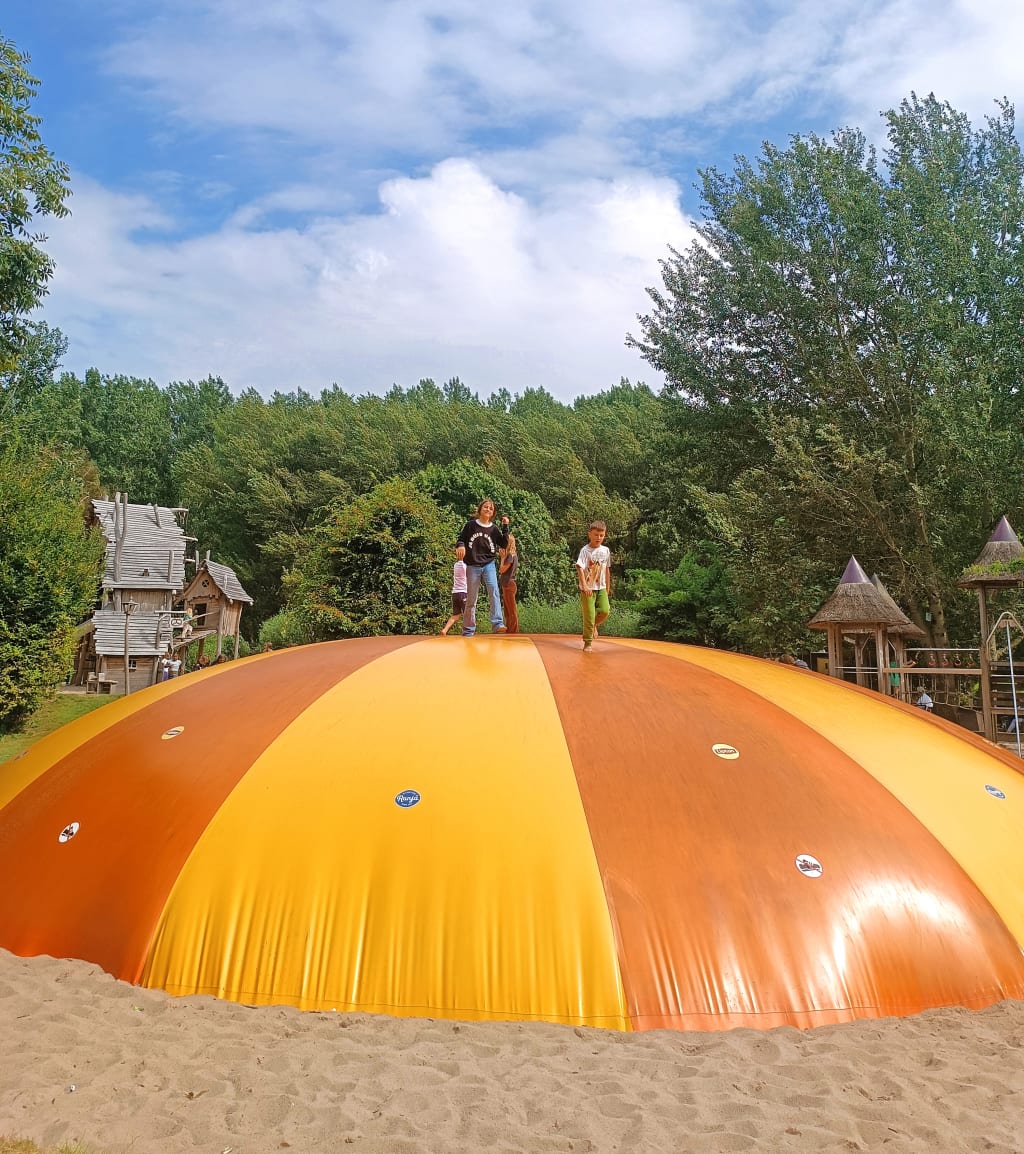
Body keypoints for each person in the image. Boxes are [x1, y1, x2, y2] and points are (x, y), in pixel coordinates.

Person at [455, 498, 509, 637]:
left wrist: (505, 527)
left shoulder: (493, 529)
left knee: (494, 591)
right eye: (485, 507)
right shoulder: (471, 525)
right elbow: (461, 538)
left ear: (493, 513)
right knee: (471, 598)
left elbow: (503, 543)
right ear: (480, 509)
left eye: (491, 508)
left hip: (488, 564)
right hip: (472, 565)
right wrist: (460, 546)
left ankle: (498, 624)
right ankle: (468, 629)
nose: (488, 509)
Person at [576, 520, 611, 653]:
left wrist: (607, 588)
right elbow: (579, 567)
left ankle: (594, 625)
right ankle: (587, 642)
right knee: (589, 615)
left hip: (601, 587)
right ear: (590, 534)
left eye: (601, 535)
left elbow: (607, 570)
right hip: (588, 588)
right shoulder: (585, 551)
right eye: (596, 535)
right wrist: (584, 586)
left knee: (605, 610)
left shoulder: (606, 550)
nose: (599, 538)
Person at [441, 554, 468, 636]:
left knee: (456, 615)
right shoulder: (465, 566)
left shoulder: (455, 565)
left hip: (455, 593)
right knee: (468, 614)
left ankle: (445, 630)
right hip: (463, 593)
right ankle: (467, 632)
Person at [498, 533, 520, 635]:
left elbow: (502, 570)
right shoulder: (512, 555)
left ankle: (514, 632)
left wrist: (502, 558)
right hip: (507, 584)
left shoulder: (510, 556)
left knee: (511, 611)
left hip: (509, 585)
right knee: (507, 611)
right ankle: (510, 631)